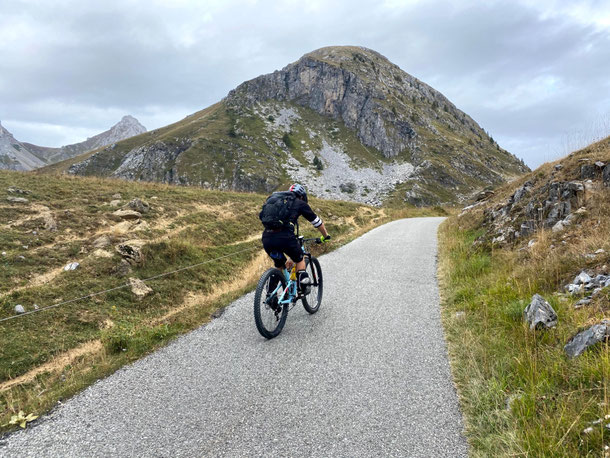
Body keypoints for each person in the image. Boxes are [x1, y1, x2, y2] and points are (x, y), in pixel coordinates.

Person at [260, 183, 330, 294]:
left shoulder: (276, 201)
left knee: (279, 265)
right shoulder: (300, 203)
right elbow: (317, 222)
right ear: (302, 196)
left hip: (267, 238)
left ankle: (270, 294)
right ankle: (304, 288)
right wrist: (326, 236)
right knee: (300, 259)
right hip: (285, 238)